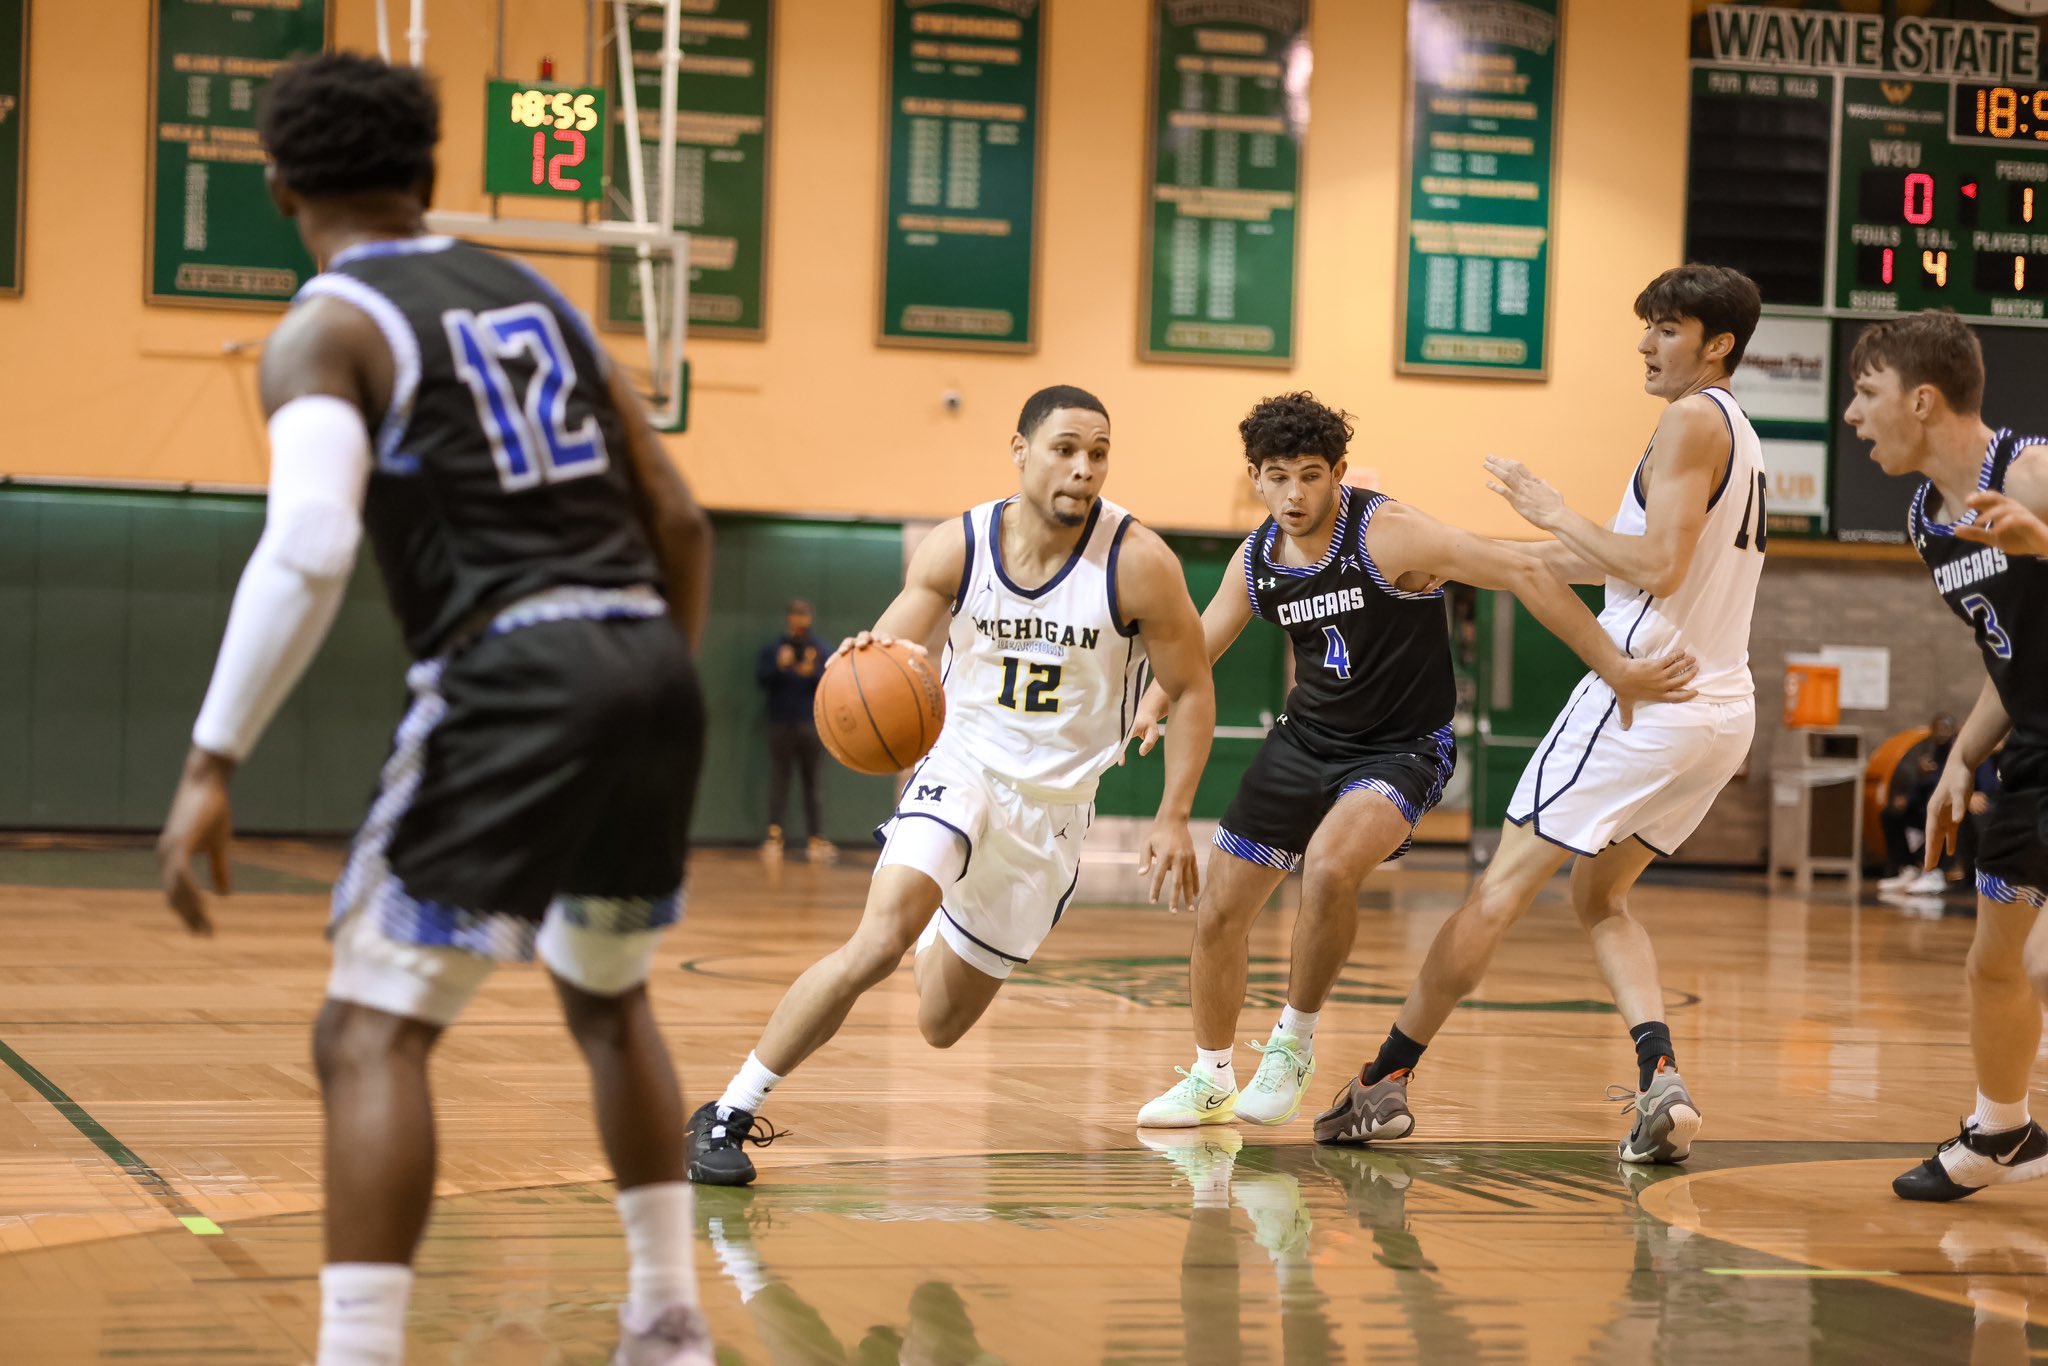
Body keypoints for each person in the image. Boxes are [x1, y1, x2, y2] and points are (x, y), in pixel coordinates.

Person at [151, 54, 715, 1366]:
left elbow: (304, 547)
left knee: (367, 1028)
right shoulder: (542, 297)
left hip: (515, 668)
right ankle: (667, 1319)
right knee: (607, 995)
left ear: (278, 185)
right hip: (647, 654)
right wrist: (645, 686)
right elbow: (679, 516)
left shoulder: (326, 328)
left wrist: (209, 757)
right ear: (436, 178)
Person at [687, 385, 1217, 1186]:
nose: (1083, 468)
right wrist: (865, 656)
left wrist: (1176, 813)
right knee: (877, 941)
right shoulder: (958, 546)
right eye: (1065, 448)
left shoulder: (1139, 564)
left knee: (940, 1025)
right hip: (960, 768)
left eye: (1099, 453)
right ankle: (726, 1111)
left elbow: (1196, 689)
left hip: (1050, 814)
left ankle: (946, 912)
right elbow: (891, 648)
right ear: (1020, 450)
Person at [1131, 393, 1698, 1130]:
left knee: (1332, 866)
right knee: (1218, 913)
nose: (1296, 494)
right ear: (1255, 478)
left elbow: (1525, 573)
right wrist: (1155, 702)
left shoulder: (1388, 534)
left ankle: (1292, 1044)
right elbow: (1201, 642)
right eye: (1278, 477)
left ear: (1338, 471)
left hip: (1400, 749)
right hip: (1305, 742)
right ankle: (1209, 1078)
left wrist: (1615, 669)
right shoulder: (1258, 559)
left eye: (1311, 475)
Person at [1319, 264, 1767, 1166]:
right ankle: (1661, 1077)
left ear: (1716, 344)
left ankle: (1385, 1082)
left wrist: (1550, 504)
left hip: (1643, 696)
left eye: (1666, 329)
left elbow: (1655, 567)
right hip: (1721, 711)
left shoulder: (1688, 420)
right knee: (1598, 894)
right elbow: (1616, 559)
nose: (1645, 344)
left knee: (1496, 890)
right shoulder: (1742, 436)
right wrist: (1484, 557)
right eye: (1645, 326)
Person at [1841, 308, 2048, 1201]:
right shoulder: (1929, 521)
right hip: (2035, 750)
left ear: (1922, 399)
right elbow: (2012, 652)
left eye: (1866, 391)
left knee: (2041, 965)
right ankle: (2003, 1131)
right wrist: (1962, 758)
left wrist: (2044, 541)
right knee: (1996, 962)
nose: (1853, 413)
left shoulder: (2035, 471)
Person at [756, 599, 832, 861]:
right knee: (780, 780)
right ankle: (774, 836)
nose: (799, 619)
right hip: (781, 723)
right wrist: (780, 666)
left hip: (811, 725)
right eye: (795, 614)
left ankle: (816, 838)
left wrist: (811, 672)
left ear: (810, 617)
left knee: (813, 784)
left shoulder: (820, 649)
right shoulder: (775, 648)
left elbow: (829, 682)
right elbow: (762, 679)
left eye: (804, 614)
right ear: (788, 617)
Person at [1878, 711, 1958, 895]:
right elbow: (1922, 787)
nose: (1942, 732)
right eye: (1938, 728)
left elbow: (1949, 784)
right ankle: (1907, 867)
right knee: (1890, 814)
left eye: (1946, 728)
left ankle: (1934, 872)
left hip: (1950, 807)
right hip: (1926, 806)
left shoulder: (1956, 752)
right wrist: (1907, 798)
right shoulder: (1930, 750)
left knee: (1941, 815)